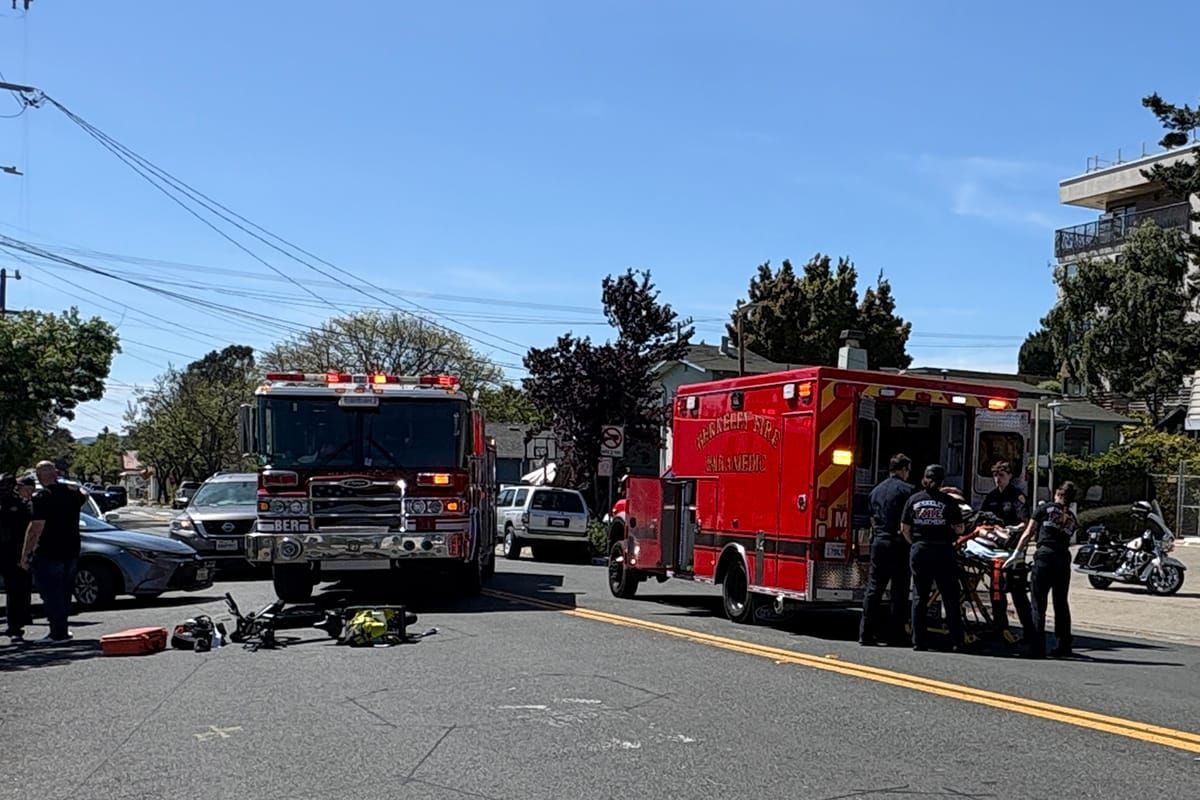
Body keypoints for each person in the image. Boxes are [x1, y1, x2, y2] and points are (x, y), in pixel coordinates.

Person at [1006, 481, 1078, 658]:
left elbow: (1028, 533)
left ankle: (1036, 647)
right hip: (1063, 558)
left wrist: (1016, 553)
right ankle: (1064, 645)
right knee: (1061, 602)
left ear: (1057, 494)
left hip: (1045, 556)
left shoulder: (1044, 509)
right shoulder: (1072, 518)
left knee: (1038, 603)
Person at [19, 461, 88, 643]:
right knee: (64, 591)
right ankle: (62, 629)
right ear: (56, 474)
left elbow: (36, 527)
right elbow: (85, 495)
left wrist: (25, 554)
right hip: (72, 549)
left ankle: (57, 633)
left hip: (49, 551)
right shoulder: (71, 495)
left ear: (40, 477)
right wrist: (73, 488)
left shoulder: (41, 497)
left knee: (51, 593)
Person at [900, 464, 966, 652]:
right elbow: (959, 528)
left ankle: (918, 641)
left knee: (920, 595)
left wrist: (915, 543)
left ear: (924, 478)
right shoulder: (949, 502)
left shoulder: (914, 499)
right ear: (942, 481)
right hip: (943, 551)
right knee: (950, 597)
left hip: (920, 550)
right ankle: (957, 641)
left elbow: (904, 529)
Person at [859, 453, 915, 646]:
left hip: (879, 542)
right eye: (908, 470)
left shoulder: (876, 491)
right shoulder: (908, 490)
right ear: (903, 469)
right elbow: (909, 519)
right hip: (898, 543)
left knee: (874, 588)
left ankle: (865, 633)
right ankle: (896, 634)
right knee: (899, 590)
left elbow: (872, 519)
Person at [0, 474, 34, 641]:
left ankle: (16, 626)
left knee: (17, 590)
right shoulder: (16, 504)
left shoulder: (19, 504)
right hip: (11, 552)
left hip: (14, 551)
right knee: (16, 590)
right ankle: (16, 626)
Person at [981, 461, 1027, 526]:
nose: (998, 478)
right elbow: (982, 514)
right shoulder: (991, 496)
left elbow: (1024, 521)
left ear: (1010, 476)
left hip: (1010, 531)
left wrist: (1014, 529)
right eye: (995, 475)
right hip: (993, 530)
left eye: (1001, 475)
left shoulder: (1017, 496)